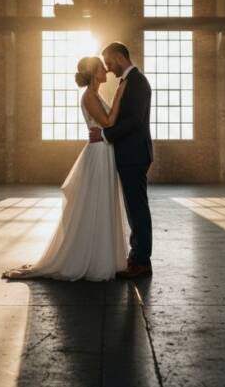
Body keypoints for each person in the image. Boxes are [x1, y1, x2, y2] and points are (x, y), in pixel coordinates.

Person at [2, 56, 130, 281]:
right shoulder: (89, 96)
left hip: (104, 152)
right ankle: (87, 259)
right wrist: (119, 96)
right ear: (93, 72)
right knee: (95, 203)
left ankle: (100, 256)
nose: (107, 72)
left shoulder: (96, 95)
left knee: (102, 204)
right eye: (102, 68)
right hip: (98, 154)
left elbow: (109, 124)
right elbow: (109, 123)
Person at [89, 42, 154, 279]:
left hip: (134, 154)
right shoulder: (129, 81)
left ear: (119, 57)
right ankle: (137, 257)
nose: (107, 68)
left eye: (109, 62)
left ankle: (141, 261)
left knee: (137, 208)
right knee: (133, 207)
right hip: (131, 153)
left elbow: (134, 121)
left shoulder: (136, 82)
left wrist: (105, 134)